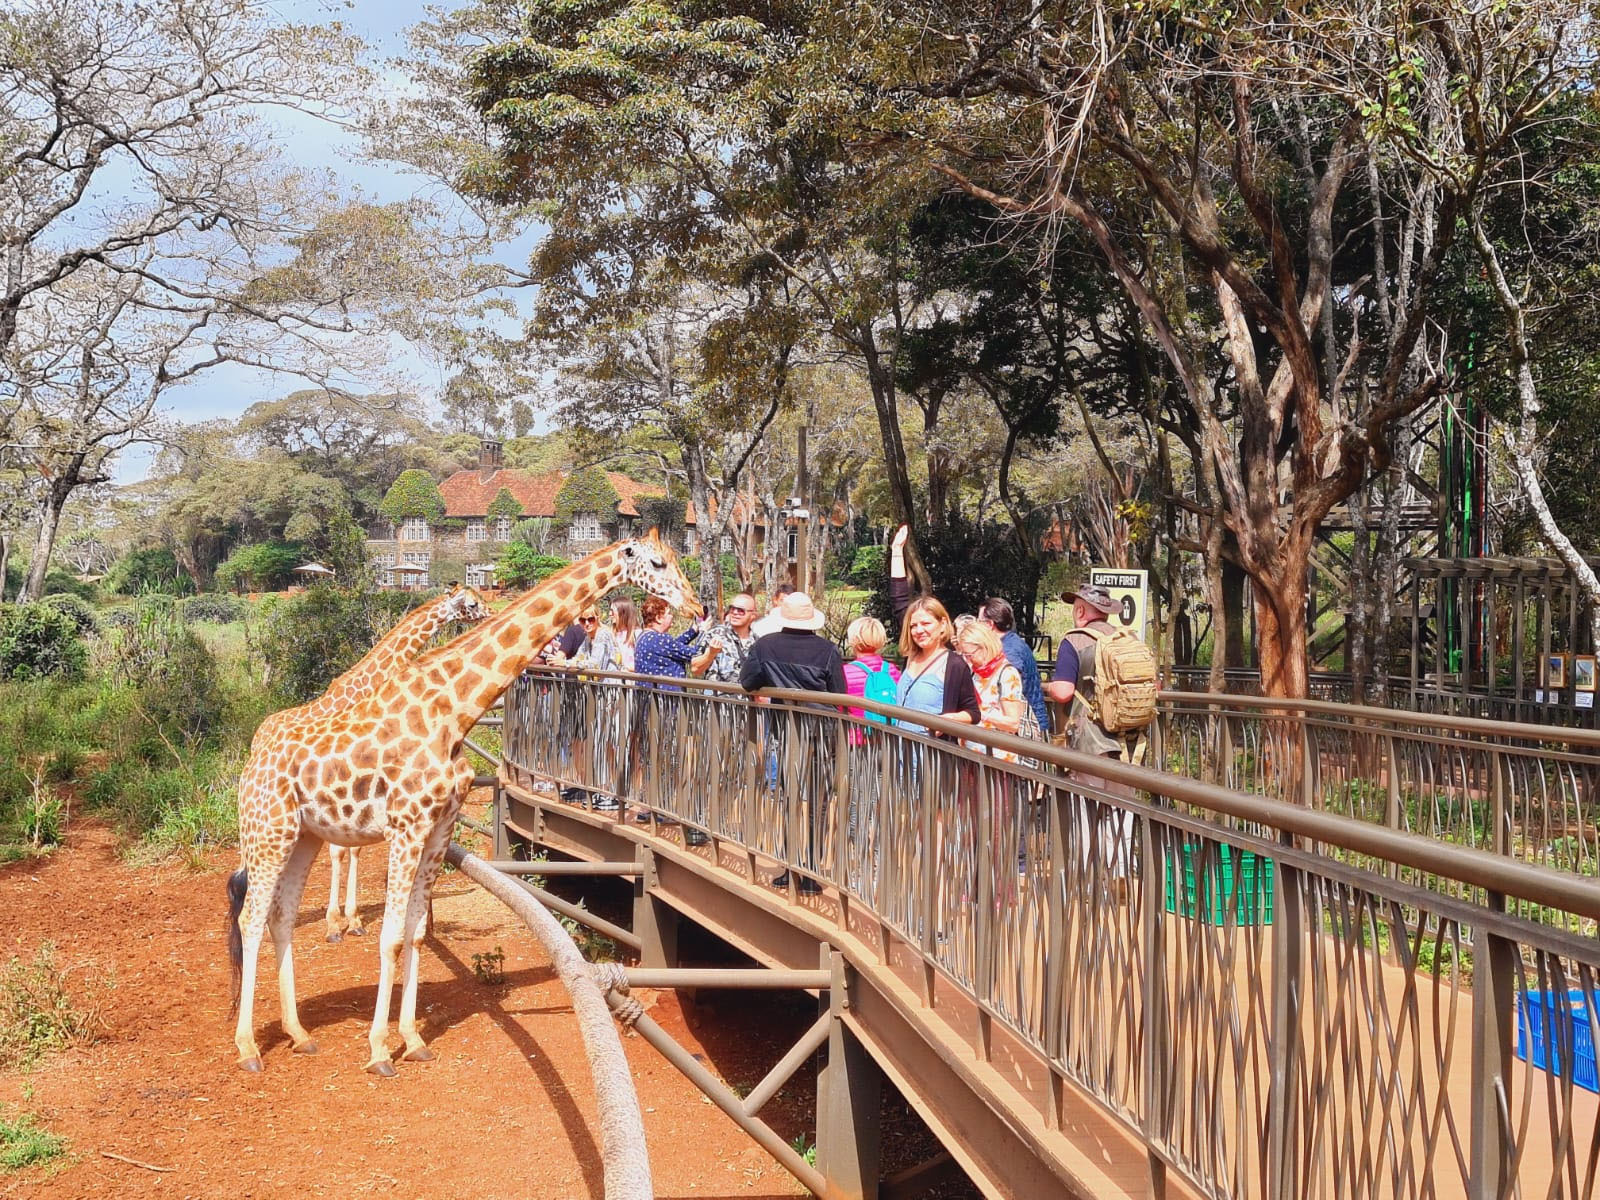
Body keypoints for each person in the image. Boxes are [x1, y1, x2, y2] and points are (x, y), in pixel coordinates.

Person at [740, 592, 847, 894]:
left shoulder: (765, 646)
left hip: (787, 731)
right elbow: (838, 693)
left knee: (789, 797)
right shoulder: (828, 649)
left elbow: (747, 681)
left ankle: (789, 868)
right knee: (818, 802)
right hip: (822, 731)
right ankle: (811, 873)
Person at [1047, 582, 1135, 884]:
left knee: (1085, 806)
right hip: (1128, 739)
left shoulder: (1074, 641)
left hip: (1089, 739)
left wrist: (1045, 685)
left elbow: (1062, 691)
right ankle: (1121, 870)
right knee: (1122, 806)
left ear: (1081, 610)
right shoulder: (1128, 638)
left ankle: (1087, 874)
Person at [888, 525, 981, 736]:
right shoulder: (912, 655)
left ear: (942, 624)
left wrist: (950, 720)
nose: (918, 630)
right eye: (913, 626)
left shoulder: (954, 665)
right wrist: (896, 552)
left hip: (931, 758)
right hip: (901, 751)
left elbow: (973, 712)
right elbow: (899, 601)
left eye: (926, 624)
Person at [980, 597, 1049, 736]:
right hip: (1029, 719)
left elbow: (1008, 687)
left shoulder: (1008, 651)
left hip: (1025, 725)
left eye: (979, 622)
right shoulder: (1012, 643)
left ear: (989, 624)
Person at [841, 616, 900, 736]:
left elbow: (839, 707)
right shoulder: (892, 670)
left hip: (856, 737)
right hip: (887, 738)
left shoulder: (845, 672)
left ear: (853, 640)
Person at [690, 592, 758, 683]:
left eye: (741, 610)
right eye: (732, 608)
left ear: (753, 615)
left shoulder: (758, 642)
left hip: (745, 697)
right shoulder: (715, 634)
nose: (735, 612)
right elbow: (695, 669)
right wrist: (710, 654)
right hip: (717, 696)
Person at [582, 598, 639, 673]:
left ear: (623, 613)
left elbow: (643, 664)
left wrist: (626, 668)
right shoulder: (609, 634)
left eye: (612, 611)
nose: (609, 614)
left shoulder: (636, 634)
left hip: (630, 681)